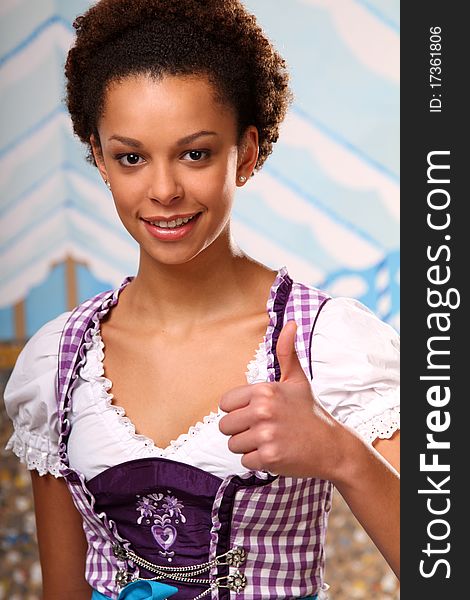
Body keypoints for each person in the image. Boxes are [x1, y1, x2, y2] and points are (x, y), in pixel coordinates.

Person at [3, 0, 400, 598]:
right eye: (131, 157)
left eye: (195, 153)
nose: (163, 190)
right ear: (99, 159)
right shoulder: (56, 362)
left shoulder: (327, 342)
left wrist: (341, 454)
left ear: (246, 152)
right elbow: (64, 590)